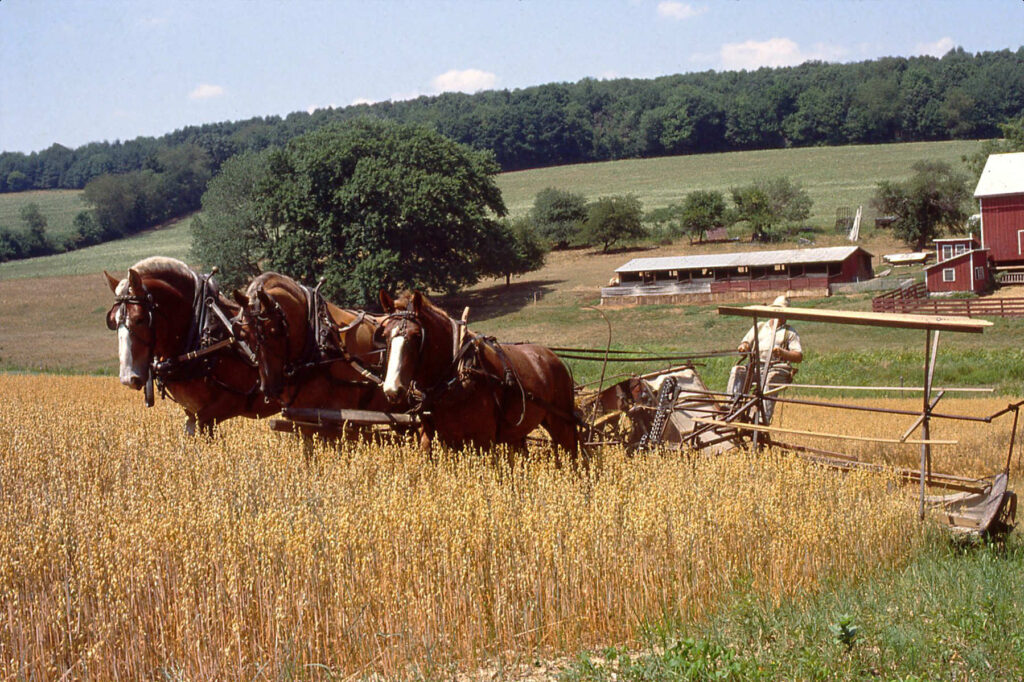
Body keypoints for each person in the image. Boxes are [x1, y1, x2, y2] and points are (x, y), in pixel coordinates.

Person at [727, 295, 803, 424]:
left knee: (770, 379)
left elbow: (798, 356)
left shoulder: (789, 332)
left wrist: (782, 353)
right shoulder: (760, 326)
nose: (779, 316)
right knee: (737, 370)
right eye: (776, 312)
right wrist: (743, 347)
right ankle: (732, 407)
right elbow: (745, 343)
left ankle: (763, 418)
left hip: (777, 368)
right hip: (756, 366)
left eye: (782, 313)